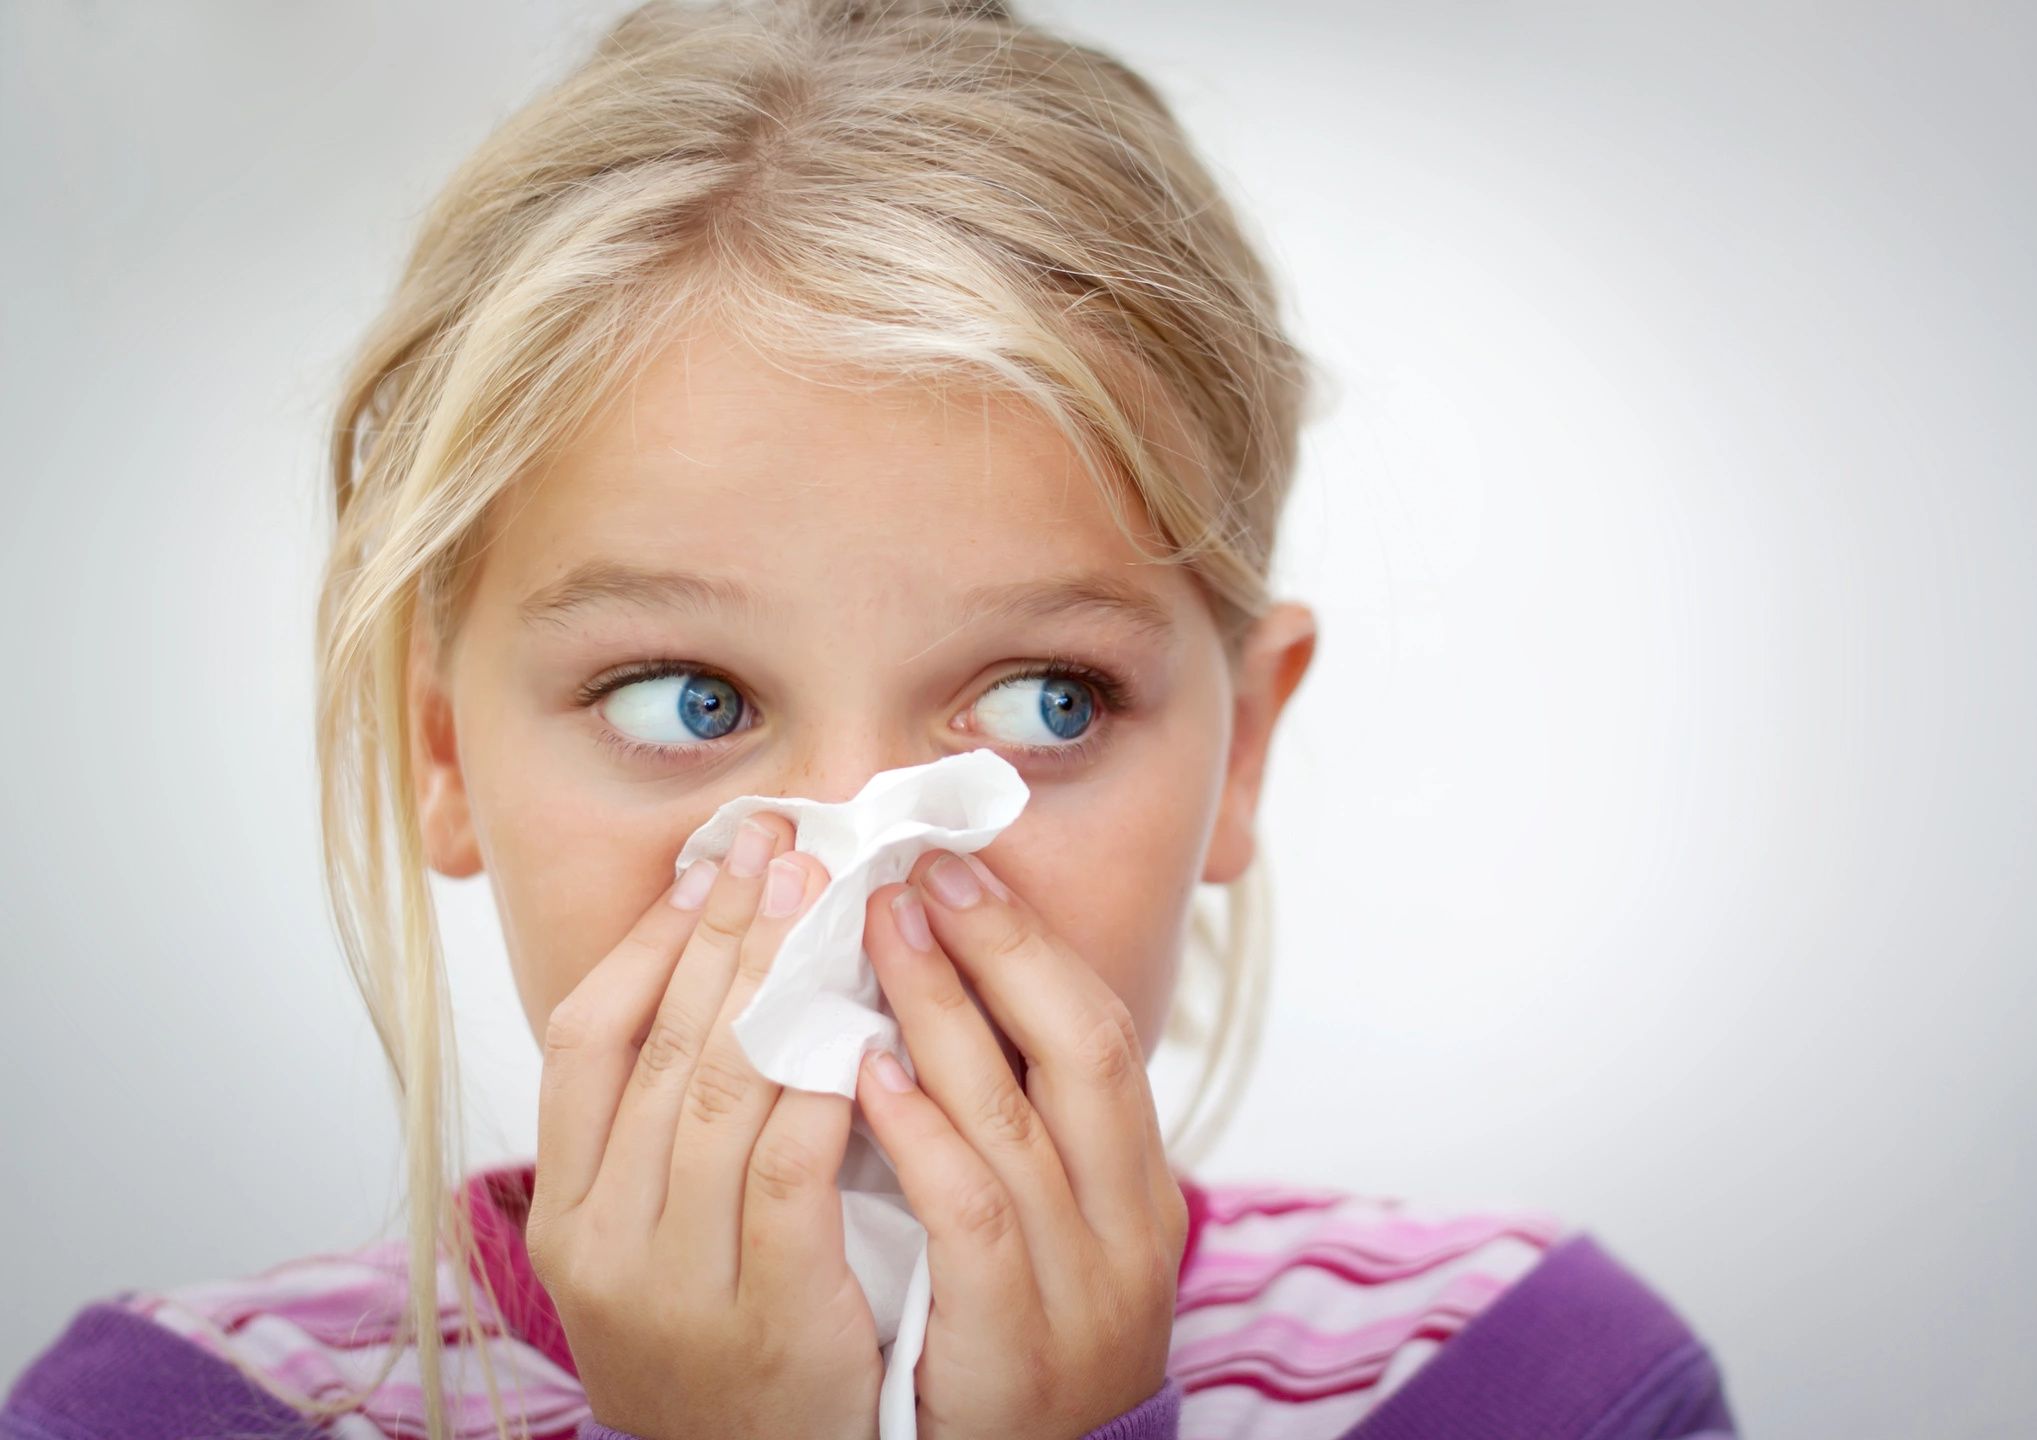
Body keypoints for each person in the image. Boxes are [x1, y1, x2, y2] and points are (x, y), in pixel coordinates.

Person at [1, 1, 1739, 1436]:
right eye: (689, 701)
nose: (860, 876)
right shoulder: (178, 1412)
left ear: (1244, 752)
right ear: (444, 755)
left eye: (1045, 703)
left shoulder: (1528, 1380)